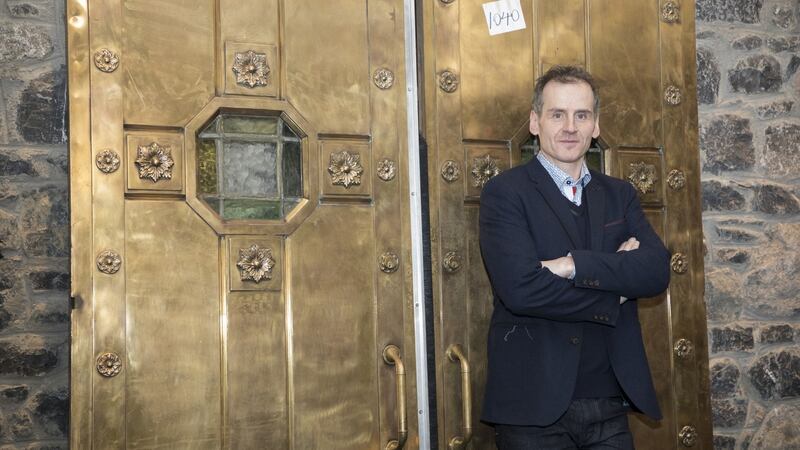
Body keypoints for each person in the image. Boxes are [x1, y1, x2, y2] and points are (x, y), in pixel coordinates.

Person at [479, 65, 671, 449]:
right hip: (532, 408)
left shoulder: (620, 194)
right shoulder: (505, 193)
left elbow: (654, 271)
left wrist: (572, 265)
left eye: (581, 115)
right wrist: (614, 290)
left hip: (609, 405)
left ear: (596, 125)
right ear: (535, 122)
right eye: (557, 114)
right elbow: (522, 290)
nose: (570, 127)